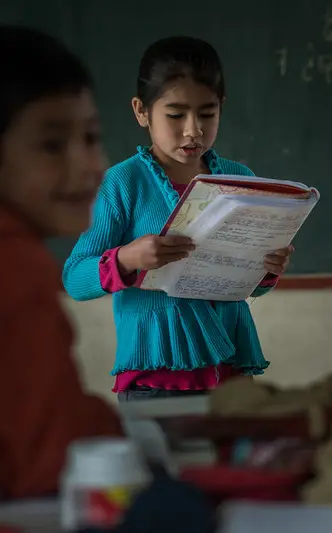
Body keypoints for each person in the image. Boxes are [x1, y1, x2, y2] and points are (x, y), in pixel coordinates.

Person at [63, 36, 293, 402]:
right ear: (141, 111)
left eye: (207, 113)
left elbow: (250, 287)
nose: (193, 131)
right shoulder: (124, 183)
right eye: (175, 115)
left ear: (222, 107)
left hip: (231, 373)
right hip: (155, 378)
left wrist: (267, 269)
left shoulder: (239, 178)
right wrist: (127, 259)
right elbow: (75, 278)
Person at [0, 26, 122, 499]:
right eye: (52, 145)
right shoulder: (16, 270)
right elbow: (50, 471)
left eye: (91, 137)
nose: (86, 166)